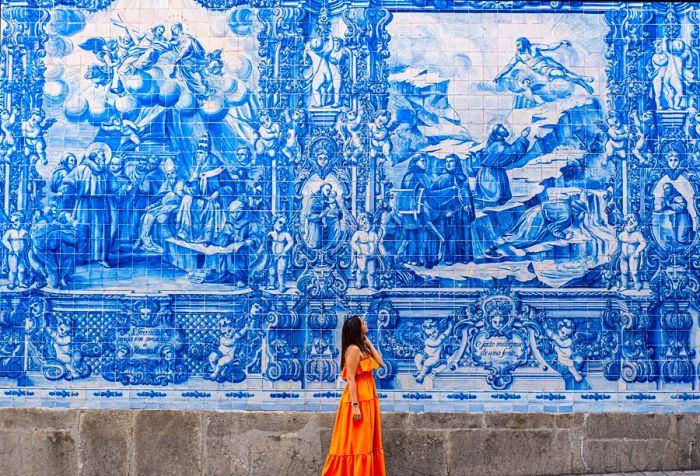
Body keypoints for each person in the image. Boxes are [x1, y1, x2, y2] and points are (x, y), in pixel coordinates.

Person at [322, 315, 386, 476]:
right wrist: (355, 406)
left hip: (368, 395)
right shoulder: (353, 350)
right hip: (358, 399)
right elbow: (350, 378)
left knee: (366, 442)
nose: (366, 323)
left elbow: (380, 362)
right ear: (357, 328)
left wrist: (368, 342)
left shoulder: (362, 347)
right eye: (363, 322)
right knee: (359, 443)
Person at [471, 124, 530, 207]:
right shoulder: (498, 145)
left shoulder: (497, 143)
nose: (505, 129)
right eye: (502, 128)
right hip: (490, 175)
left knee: (500, 197)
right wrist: (522, 138)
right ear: (497, 132)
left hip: (492, 172)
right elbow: (513, 152)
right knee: (493, 198)